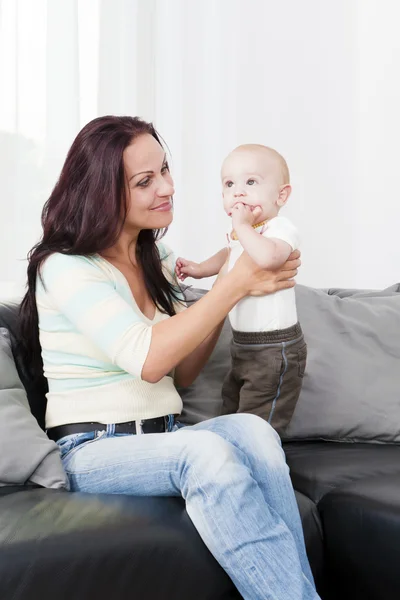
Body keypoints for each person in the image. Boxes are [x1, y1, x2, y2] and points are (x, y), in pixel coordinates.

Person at [19, 116, 319, 600]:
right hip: (91, 450)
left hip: (165, 434)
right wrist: (231, 284)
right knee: (205, 451)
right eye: (145, 181)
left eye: (164, 170)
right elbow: (148, 361)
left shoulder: (156, 258)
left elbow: (184, 370)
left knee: (254, 432)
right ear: (102, 193)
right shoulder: (65, 267)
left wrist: (235, 295)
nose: (168, 187)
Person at [176, 144, 306, 435]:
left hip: (274, 347)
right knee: (232, 407)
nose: (238, 192)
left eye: (251, 182)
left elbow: (268, 257)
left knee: (258, 425)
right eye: (229, 184)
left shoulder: (280, 228)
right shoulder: (242, 233)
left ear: (281, 195)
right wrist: (200, 268)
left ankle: (259, 462)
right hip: (243, 344)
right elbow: (230, 254)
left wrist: (243, 227)